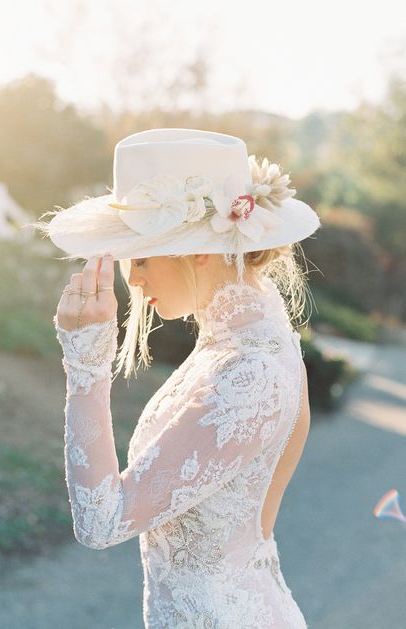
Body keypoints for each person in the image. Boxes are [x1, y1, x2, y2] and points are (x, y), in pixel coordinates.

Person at [30, 128, 321, 628]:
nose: (134, 281)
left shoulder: (249, 372)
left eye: (140, 258)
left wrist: (86, 367)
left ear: (199, 250)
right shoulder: (252, 342)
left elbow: (102, 522)